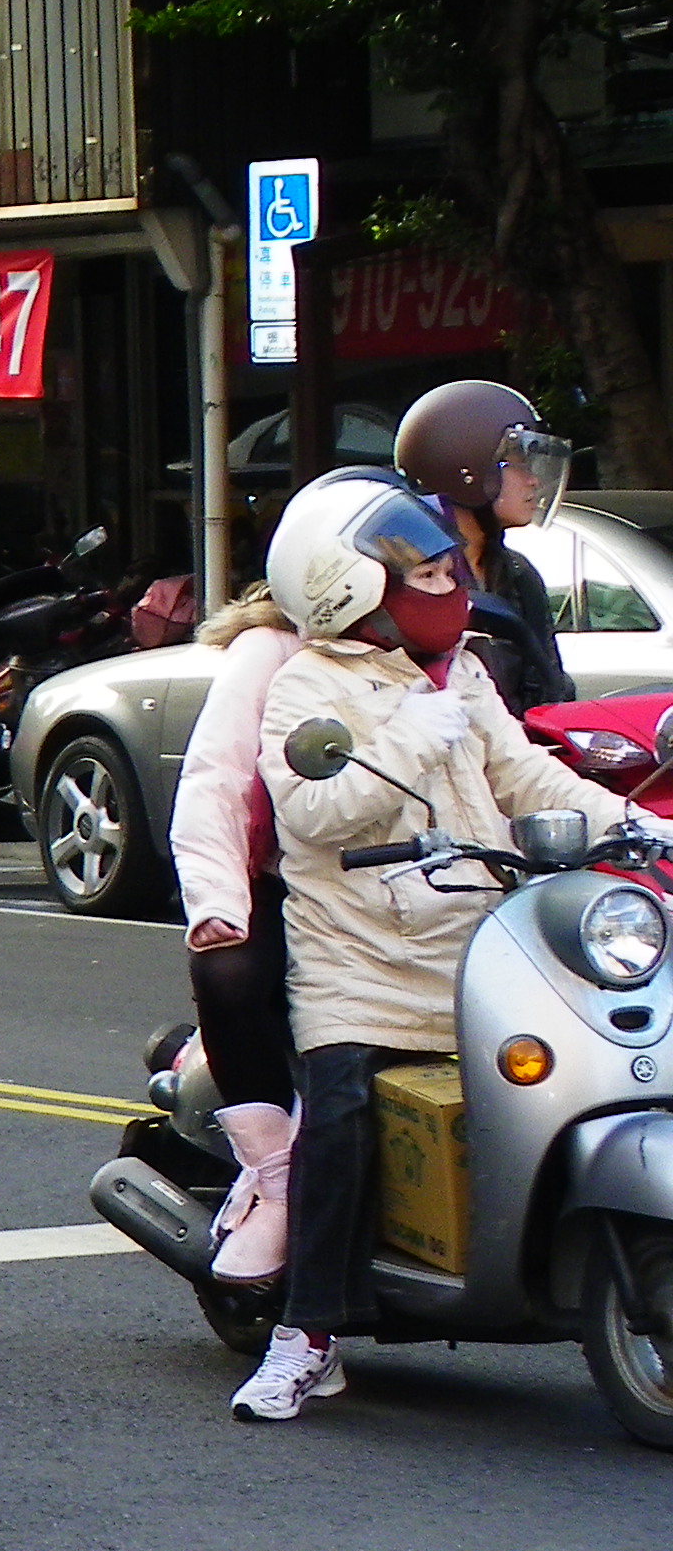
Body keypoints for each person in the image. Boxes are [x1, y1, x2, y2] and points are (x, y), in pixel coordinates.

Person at [243, 470, 628, 1422]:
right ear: (353, 589)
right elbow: (316, 811)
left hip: (475, 943)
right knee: (340, 1120)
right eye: (424, 570)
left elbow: (528, 776)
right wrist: (407, 737)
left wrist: (634, 825)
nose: (450, 581)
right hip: (358, 967)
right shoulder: (305, 686)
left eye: (447, 564)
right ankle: (306, 1333)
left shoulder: (463, 672)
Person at [168, 582, 301, 1282]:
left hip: (432, 893)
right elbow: (213, 782)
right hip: (297, 886)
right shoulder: (271, 649)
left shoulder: (460, 645)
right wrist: (221, 906)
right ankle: (277, 1184)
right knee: (230, 973)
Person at [394, 378, 577, 714]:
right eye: (518, 465)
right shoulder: (407, 579)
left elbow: (550, 691)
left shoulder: (518, 575)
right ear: (467, 468)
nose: (534, 480)